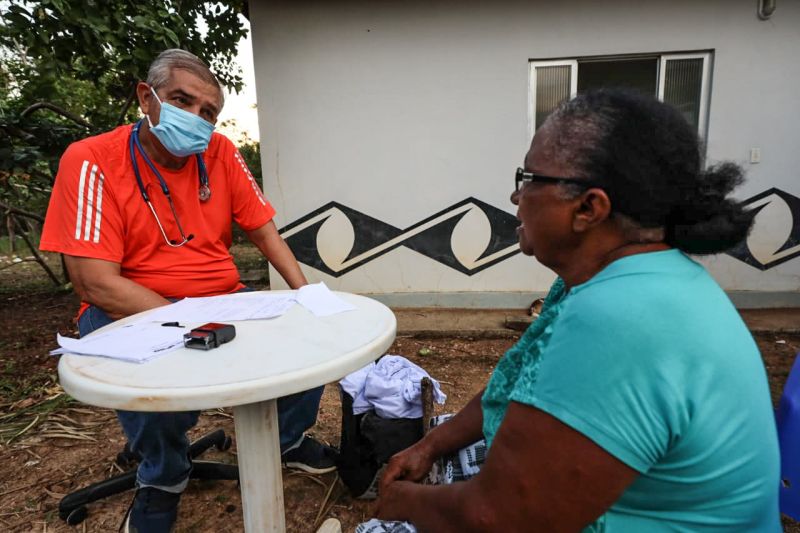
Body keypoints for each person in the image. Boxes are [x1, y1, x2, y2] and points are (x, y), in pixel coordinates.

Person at [369, 89, 781, 532]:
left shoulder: (621, 318)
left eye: (528, 177)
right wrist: (429, 446)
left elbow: (499, 519)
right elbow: (512, 386)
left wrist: (404, 502)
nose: (515, 195)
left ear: (588, 207)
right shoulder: (612, 280)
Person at [39, 49, 336, 532]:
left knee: (308, 340)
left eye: (208, 112)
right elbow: (96, 282)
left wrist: (306, 296)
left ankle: (283, 438)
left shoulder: (219, 153)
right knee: (153, 377)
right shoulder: (91, 159)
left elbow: (263, 231)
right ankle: (163, 474)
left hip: (220, 293)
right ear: (146, 97)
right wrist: (186, 322)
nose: (196, 119)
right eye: (182, 100)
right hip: (128, 303)